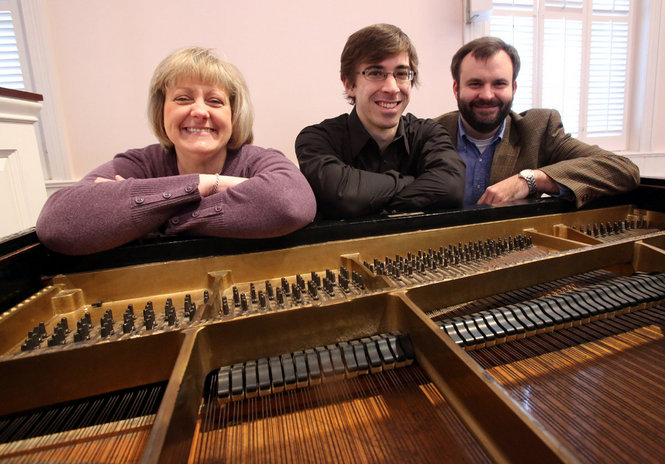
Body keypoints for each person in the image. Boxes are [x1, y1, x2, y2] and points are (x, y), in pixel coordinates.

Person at [36, 46, 316, 255]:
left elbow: (289, 204)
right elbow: (58, 223)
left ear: (233, 114)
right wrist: (210, 184)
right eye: (183, 98)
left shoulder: (257, 160)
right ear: (162, 111)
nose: (199, 111)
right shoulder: (139, 162)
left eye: (215, 101)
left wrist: (150, 215)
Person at [435, 36, 640, 207]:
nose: (487, 95)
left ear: (513, 88)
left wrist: (531, 180)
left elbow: (623, 169)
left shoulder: (539, 129)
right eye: (475, 83)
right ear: (456, 89)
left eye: (499, 84)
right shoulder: (431, 134)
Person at [295, 24, 465, 219]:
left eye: (401, 74)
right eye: (375, 73)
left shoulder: (429, 133)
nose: (392, 88)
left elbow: (452, 188)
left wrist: (371, 200)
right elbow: (347, 195)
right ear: (349, 84)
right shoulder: (316, 140)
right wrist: (413, 182)